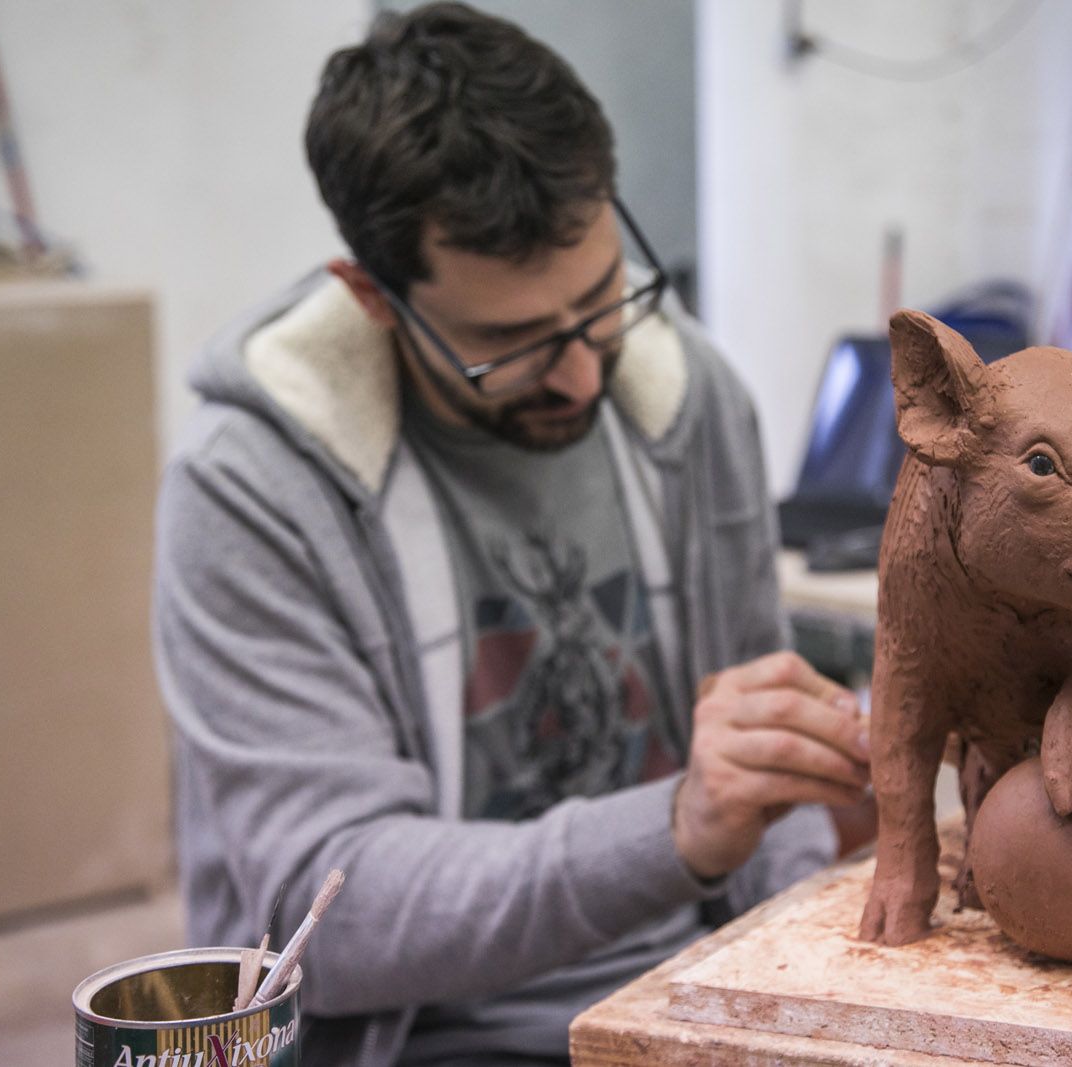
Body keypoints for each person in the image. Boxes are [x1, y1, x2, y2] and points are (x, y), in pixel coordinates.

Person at [152, 4, 872, 1065]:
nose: (581, 375)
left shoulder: (688, 403)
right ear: (372, 297)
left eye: (601, 302)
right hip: (416, 1038)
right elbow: (324, 917)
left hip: (686, 999)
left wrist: (801, 971)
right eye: (509, 343)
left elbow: (769, 770)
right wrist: (675, 828)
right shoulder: (249, 491)